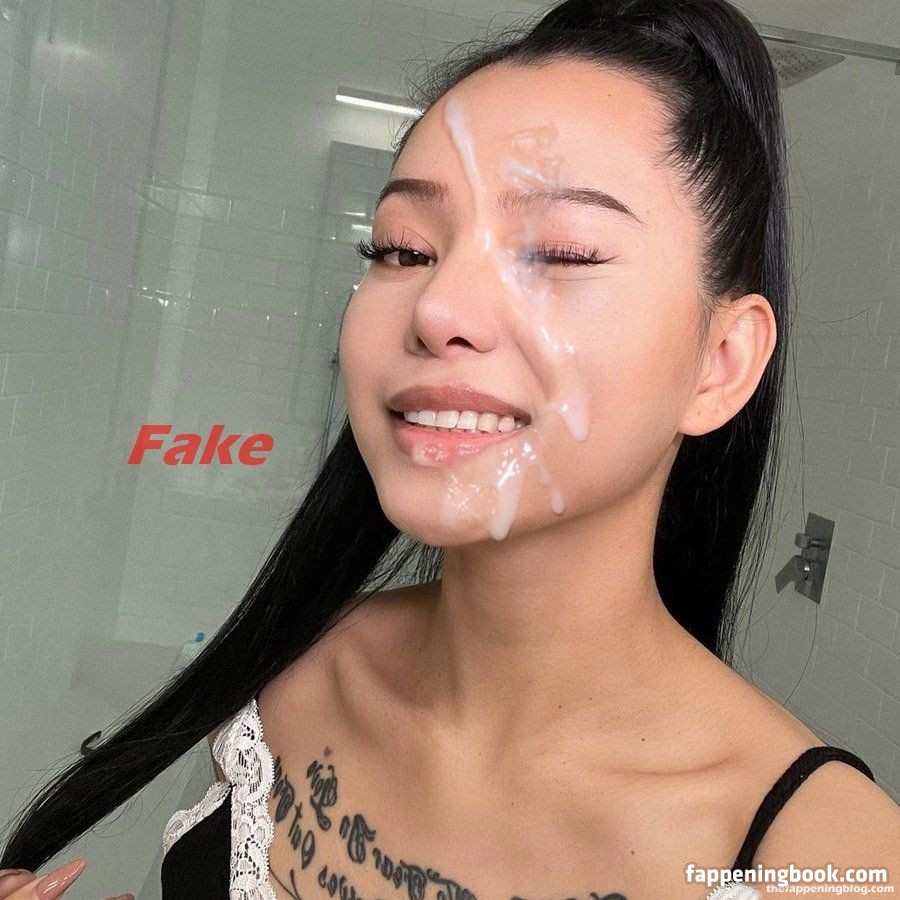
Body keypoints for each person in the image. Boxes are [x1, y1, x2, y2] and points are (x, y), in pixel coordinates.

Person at [2, 0, 898, 897]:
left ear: (721, 363)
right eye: (402, 249)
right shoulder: (296, 669)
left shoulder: (829, 859)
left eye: (564, 252)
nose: (436, 310)